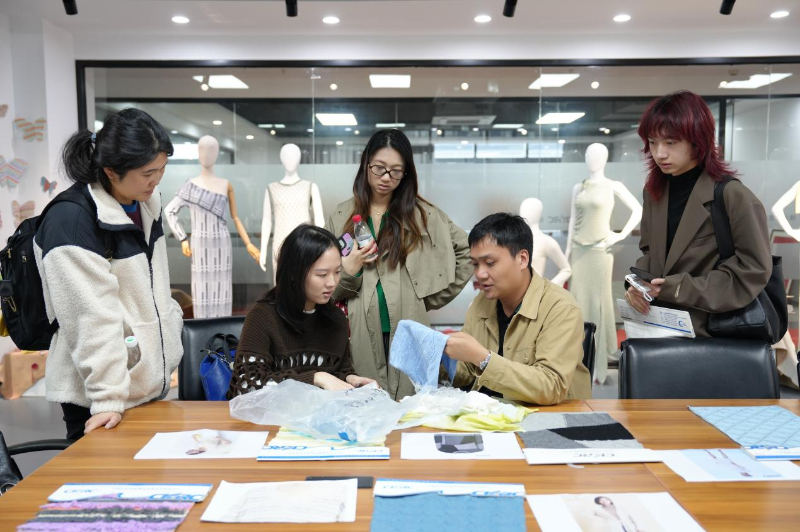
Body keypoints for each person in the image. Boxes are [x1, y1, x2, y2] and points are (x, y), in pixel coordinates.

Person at [34, 108, 184, 440]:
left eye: (162, 169)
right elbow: (90, 318)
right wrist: (107, 398)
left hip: (145, 384)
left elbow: (155, 286)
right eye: (148, 172)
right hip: (100, 397)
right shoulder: (71, 221)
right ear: (111, 171)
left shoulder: (145, 202)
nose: (157, 180)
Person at [325, 129, 472, 400]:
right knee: (366, 403)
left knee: (410, 403)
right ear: (366, 164)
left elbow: (467, 251)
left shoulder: (423, 215)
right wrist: (349, 272)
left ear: (406, 173)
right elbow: (326, 284)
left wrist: (426, 298)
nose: (386, 178)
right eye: (379, 168)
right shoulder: (342, 215)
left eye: (395, 171)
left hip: (409, 323)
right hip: (358, 329)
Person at [625, 90, 773, 337]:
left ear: (698, 141)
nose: (659, 153)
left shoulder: (732, 195)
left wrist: (676, 288)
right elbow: (649, 253)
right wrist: (637, 285)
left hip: (714, 332)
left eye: (670, 142)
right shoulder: (654, 192)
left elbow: (753, 270)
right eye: (652, 142)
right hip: (658, 328)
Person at [445, 213, 591, 405]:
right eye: (475, 264)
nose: (479, 274)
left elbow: (551, 386)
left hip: (548, 416)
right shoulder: (482, 302)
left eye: (490, 263)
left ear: (522, 259)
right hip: (492, 414)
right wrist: (438, 358)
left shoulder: (560, 307)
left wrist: (483, 358)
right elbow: (468, 371)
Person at [227, 224, 376, 396]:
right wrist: (315, 378)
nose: (332, 283)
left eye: (337, 272)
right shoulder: (263, 316)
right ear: (294, 273)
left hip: (318, 412)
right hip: (273, 413)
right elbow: (246, 385)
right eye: (322, 274)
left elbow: (340, 370)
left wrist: (350, 379)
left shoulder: (336, 318)